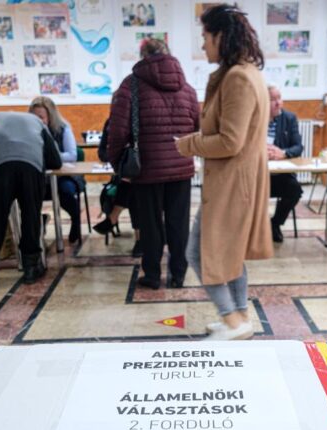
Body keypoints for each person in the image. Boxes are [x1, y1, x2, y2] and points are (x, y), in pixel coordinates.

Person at [175, 4, 272, 339]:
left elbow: (231, 141)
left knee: (201, 252)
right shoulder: (244, 73)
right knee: (228, 252)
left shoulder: (238, 78)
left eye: (205, 36)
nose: (202, 44)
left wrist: (188, 144)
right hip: (234, 182)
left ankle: (232, 321)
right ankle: (240, 316)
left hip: (233, 184)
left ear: (221, 36)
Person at [107, 39, 199, 289]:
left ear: (143, 56)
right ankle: (178, 275)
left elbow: (117, 131)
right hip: (181, 167)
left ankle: (152, 275)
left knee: (150, 225)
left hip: (146, 169)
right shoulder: (187, 88)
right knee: (179, 223)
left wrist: (118, 164)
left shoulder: (131, 85)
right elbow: (197, 126)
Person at [0, 111, 62, 291]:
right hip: (31, 167)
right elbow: (55, 160)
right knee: (31, 216)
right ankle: (31, 268)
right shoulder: (38, 123)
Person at [28, 96, 84, 244]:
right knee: (26, 191)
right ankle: (37, 222)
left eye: (41, 117)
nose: (37, 121)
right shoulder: (27, 131)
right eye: (34, 117)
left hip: (64, 175)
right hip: (39, 177)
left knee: (65, 190)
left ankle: (76, 218)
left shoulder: (63, 128)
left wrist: (50, 156)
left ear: (50, 116)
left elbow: (72, 155)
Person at [93, 117, 143, 257]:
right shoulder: (111, 122)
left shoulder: (141, 119)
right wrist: (122, 157)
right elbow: (102, 152)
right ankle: (139, 239)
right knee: (130, 185)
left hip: (145, 175)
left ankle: (112, 218)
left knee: (132, 186)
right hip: (123, 175)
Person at [266, 85, 303, 243]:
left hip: (280, 174)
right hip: (257, 176)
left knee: (294, 190)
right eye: (273, 99)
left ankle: (275, 223)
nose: (278, 103)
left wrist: (283, 153)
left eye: (279, 98)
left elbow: (298, 147)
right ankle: (254, 228)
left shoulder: (289, 118)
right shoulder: (254, 118)